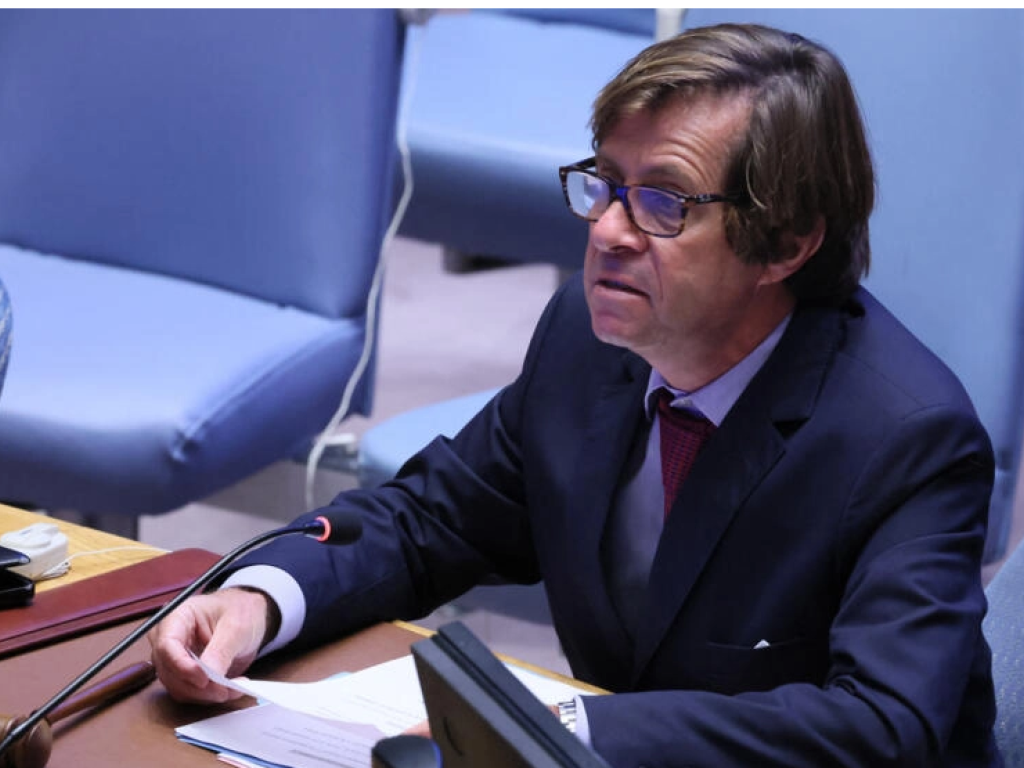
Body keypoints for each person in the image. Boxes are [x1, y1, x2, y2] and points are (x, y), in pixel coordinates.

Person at [149, 22, 1000, 767]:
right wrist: (261, 599)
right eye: (603, 184)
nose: (607, 231)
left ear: (786, 241)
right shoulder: (588, 342)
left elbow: (880, 726)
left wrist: (569, 729)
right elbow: (436, 518)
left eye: (662, 202)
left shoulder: (907, 438)